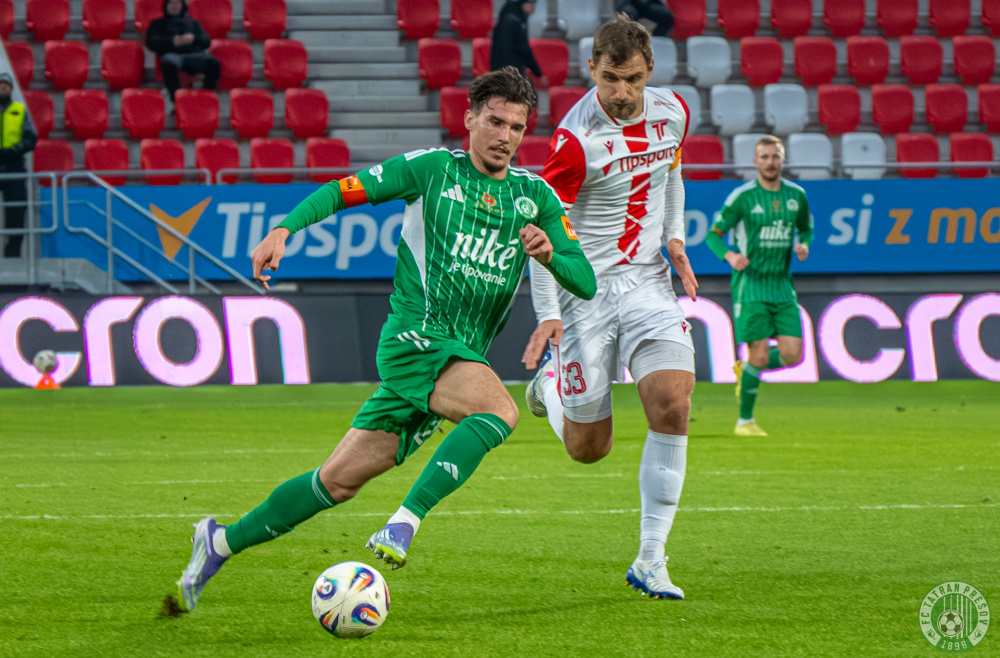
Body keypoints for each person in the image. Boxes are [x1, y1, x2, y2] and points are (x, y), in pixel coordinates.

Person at [171, 67, 597, 612]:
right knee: (499, 410)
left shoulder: (535, 197)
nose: (505, 137)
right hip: (416, 338)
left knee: (336, 483)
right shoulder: (431, 169)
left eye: (516, 127)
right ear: (470, 119)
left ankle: (219, 542)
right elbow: (343, 191)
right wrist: (283, 230)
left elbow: (585, 281)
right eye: (495, 122)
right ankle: (403, 523)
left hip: (455, 359)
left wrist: (551, 254)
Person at [521, 15, 698, 601]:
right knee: (588, 449)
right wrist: (548, 313)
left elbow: (672, 175)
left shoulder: (673, 112)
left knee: (673, 403)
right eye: (610, 79)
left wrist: (674, 239)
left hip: (647, 283)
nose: (622, 92)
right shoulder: (575, 141)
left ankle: (651, 558)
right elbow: (541, 231)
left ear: (650, 71)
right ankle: (550, 389)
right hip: (585, 293)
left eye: (633, 79)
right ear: (591, 68)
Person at [704, 136, 813, 437]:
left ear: (783, 160)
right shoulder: (742, 197)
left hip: (782, 287)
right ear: (755, 162)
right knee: (761, 354)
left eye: (775, 156)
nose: (770, 162)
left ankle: (747, 369)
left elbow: (806, 229)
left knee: (794, 355)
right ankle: (744, 422)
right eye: (764, 157)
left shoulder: (797, 196)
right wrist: (729, 255)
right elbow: (713, 235)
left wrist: (804, 245)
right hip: (750, 286)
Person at [145, 0, 220, 103]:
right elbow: (151, 43)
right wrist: (173, 41)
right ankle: (176, 98)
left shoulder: (193, 23)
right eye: (171, 3)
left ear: (182, 6)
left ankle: (206, 96)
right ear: (166, 6)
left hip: (194, 54)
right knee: (168, 62)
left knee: (213, 63)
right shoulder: (157, 23)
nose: (174, 6)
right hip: (172, 54)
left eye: (177, 3)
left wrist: (193, 38)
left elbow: (206, 41)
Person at [0, 72, 37, 258]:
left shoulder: (20, 110)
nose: (3, 88)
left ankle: (12, 258)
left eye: (6, 85)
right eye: (0, 85)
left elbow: (31, 138)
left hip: (14, 168)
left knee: (16, 215)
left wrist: (12, 152)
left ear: (11, 88)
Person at [490, 0, 544, 84]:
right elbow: (524, 49)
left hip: (499, 72)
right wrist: (538, 73)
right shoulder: (517, 21)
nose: (533, 10)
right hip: (511, 74)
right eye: (532, 4)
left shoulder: (506, 13)